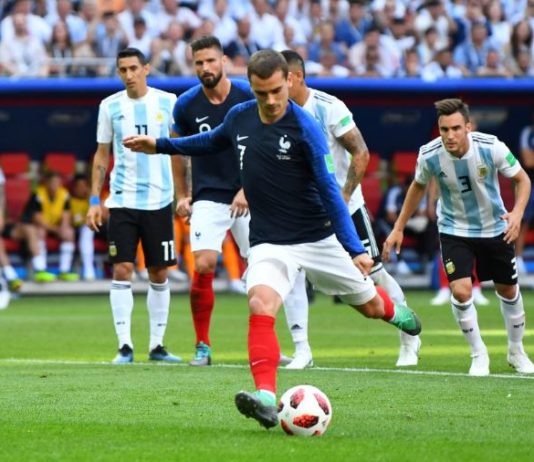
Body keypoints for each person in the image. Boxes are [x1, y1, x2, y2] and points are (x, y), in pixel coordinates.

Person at [123, 49, 422, 429]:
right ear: (251, 86)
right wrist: (160, 145)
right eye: (261, 93)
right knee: (260, 303)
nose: (270, 100)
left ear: (289, 82)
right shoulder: (240, 115)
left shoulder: (306, 129)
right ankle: (265, 396)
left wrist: (354, 249)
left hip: (317, 237)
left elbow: (330, 192)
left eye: (276, 91)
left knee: (372, 308)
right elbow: (210, 141)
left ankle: (401, 316)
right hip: (270, 239)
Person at [171, 36, 309, 368]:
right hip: (208, 195)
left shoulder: (250, 96)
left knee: (270, 266)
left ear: (224, 61)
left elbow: (269, 144)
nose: (205, 68)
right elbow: (178, 150)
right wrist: (182, 194)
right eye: (199, 63)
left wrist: (248, 188)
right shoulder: (186, 105)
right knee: (203, 264)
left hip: (252, 195)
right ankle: (202, 346)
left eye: (211, 61)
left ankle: (279, 346)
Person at [281, 49, 421, 368]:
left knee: (373, 274)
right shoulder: (276, 113)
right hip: (302, 213)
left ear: (296, 77)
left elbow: (361, 153)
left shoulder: (328, 107)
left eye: (280, 80)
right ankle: (302, 350)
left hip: (345, 208)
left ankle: (409, 338)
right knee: (291, 273)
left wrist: (343, 196)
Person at [383, 98, 534, 377]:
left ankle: (516, 351)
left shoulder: (491, 147)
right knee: (461, 291)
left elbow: (522, 179)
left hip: (494, 227)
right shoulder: (429, 154)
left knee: (508, 291)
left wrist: (516, 213)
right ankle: (478, 354)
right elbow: (418, 186)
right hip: (454, 229)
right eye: (444, 129)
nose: (450, 135)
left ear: (468, 127)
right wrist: (399, 227)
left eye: (455, 128)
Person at [86, 47, 181, 365]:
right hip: (123, 200)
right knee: (122, 268)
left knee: (159, 271)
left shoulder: (168, 102)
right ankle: (125, 346)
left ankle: (157, 345)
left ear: (146, 69)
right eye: (123, 70)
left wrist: (184, 194)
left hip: (159, 199)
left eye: (133, 68)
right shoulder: (110, 106)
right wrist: (94, 200)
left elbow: (179, 150)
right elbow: (102, 155)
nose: (128, 75)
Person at [27, 171, 80, 281]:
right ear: (46, 183)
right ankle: (41, 270)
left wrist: (63, 227)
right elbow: (37, 218)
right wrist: (55, 230)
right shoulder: (38, 194)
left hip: (56, 225)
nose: (55, 185)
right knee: (40, 231)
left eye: (57, 182)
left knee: (69, 232)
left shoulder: (64, 194)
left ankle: (64, 271)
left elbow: (66, 214)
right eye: (52, 182)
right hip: (42, 226)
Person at [515, 111, 534, 274]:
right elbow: (528, 161)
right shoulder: (528, 133)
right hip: (529, 184)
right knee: (523, 221)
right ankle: (518, 259)